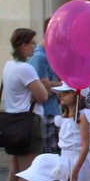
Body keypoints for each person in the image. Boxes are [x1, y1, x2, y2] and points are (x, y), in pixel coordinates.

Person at [2, 28, 50, 181]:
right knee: (28, 172)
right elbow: (43, 95)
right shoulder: (26, 68)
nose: (34, 47)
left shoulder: (9, 65)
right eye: (31, 43)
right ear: (22, 45)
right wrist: (37, 94)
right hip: (28, 121)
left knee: (14, 170)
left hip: (12, 119)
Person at [26, 21, 62, 154]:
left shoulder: (50, 55)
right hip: (46, 113)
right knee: (50, 154)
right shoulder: (40, 57)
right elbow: (43, 87)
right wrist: (62, 85)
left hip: (53, 111)